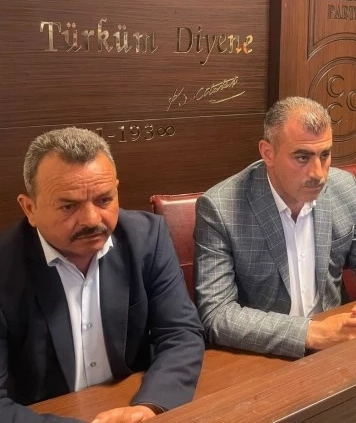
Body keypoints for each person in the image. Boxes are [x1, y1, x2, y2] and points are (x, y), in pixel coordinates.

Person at [0, 127, 204, 423]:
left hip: (128, 400)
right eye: (68, 206)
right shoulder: (6, 267)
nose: (92, 219)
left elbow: (180, 333)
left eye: (104, 200)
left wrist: (150, 407)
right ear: (30, 208)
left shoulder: (147, 238)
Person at [194, 97, 356, 359]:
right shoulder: (221, 208)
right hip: (265, 355)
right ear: (268, 153)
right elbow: (217, 314)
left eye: (325, 155)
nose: (318, 174)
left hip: (340, 342)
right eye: (302, 157)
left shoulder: (343, 188)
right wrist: (311, 333)